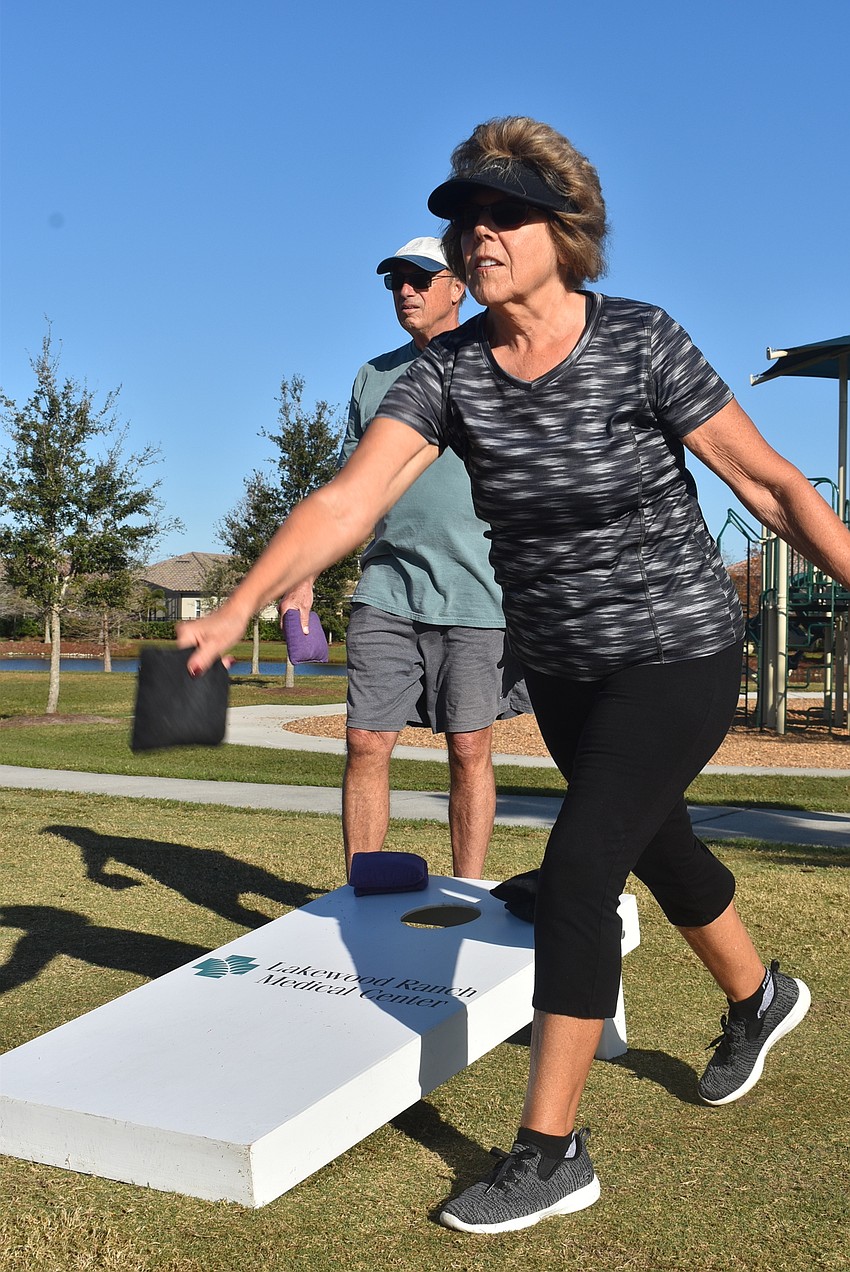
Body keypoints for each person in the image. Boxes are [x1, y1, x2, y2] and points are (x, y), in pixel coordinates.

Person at [178, 116, 850, 1235]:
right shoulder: (447, 373)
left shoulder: (640, 341)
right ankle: (758, 994)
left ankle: (552, 1152)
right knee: (656, 840)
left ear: (563, 230)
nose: (476, 235)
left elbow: (773, 488)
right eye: (463, 219)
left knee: (582, 870)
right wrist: (247, 599)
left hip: (678, 647)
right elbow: (351, 499)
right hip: (565, 665)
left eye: (503, 215)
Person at [280, 237, 527, 880]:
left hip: (481, 591)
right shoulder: (373, 377)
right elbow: (348, 490)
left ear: (458, 286)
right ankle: (362, 890)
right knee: (365, 740)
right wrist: (303, 575)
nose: (405, 292)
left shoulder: (501, 361)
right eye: (395, 282)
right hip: (387, 588)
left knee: (469, 748)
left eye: (420, 279)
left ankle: (468, 889)